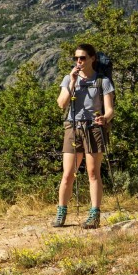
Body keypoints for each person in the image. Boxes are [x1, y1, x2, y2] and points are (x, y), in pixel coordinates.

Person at [53, 43, 115, 229]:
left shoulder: (102, 81)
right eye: (76, 58)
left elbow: (110, 109)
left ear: (92, 59)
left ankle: (94, 214)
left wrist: (105, 118)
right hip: (72, 127)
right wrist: (72, 82)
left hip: (93, 128)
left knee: (93, 173)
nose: (79, 61)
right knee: (68, 174)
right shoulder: (68, 79)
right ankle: (61, 212)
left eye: (82, 58)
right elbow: (61, 104)